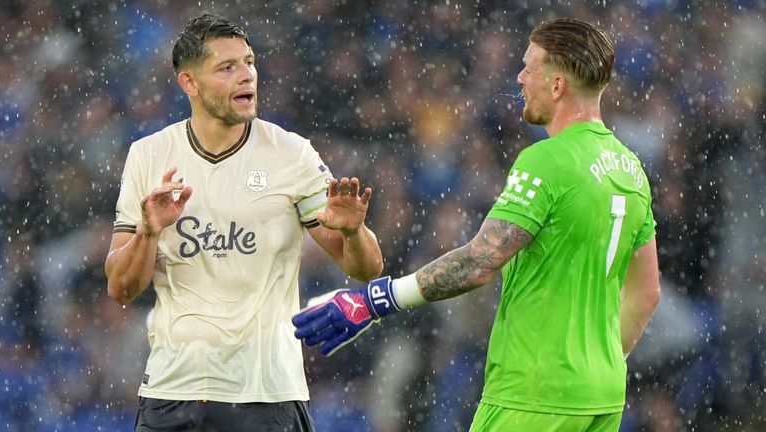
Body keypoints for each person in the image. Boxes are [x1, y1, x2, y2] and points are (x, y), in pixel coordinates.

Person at [293, 18, 660, 431]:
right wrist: (595, 361)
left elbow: (480, 261)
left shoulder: (547, 161)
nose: (520, 78)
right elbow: (646, 294)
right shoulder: (632, 170)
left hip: (534, 392)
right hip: (602, 393)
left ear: (557, 86)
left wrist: (377, 300)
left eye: (529, 68)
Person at [104, 13, 383, 432]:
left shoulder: (292, 154)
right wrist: (148, 230)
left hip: (267, 393)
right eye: (227, 67)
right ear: (190, 84)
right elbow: (121, 287)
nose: (247, 76)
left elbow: (365, 268)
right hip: (173, 391)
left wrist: (352, 230)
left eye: (249, 62)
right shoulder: (149, 155)